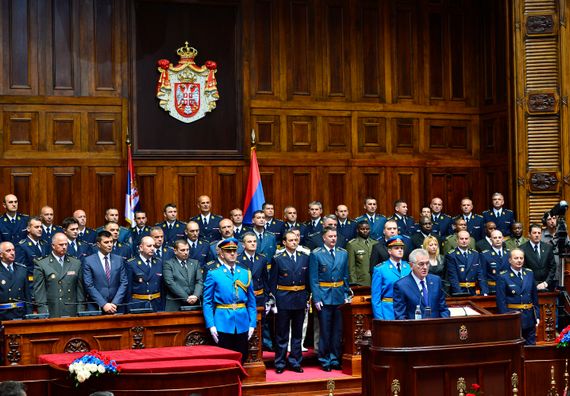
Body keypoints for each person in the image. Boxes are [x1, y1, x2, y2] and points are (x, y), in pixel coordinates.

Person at [203, 237, 256, 364]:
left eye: (234, 251)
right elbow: (207, 301)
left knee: (242, 356)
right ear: (221, 253)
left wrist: (252, 323)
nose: (232, 254)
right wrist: (211, 325)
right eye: (228, 251)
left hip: (242, 321)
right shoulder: (214, 273)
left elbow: (251, 301)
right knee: (224, 359)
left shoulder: (245, 272)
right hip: (222, 321)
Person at [310, 226, 349, 372]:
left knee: (337, 331)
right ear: (324, 238)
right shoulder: (316, 254)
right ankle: (324, 359)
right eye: (330, 236)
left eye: (335, 236)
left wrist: (346, 294)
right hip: (324, 296)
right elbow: (313, 279)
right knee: (325, 331)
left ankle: (334, 358)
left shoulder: (343, 253)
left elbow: (345, 276)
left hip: (338, 295)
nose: (333, 239)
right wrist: (317, 298)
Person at [270, 231, 310, 374]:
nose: (294, 242)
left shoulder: (304, 258)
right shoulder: (278, 259)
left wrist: (307, 297)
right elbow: (273, 282)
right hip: (283, 299)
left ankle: (295, 361)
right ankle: (280, 363)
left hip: (300, 298)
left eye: (296, 239)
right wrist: (273, 300)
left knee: (298, 334)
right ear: (284, 242)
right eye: (291, 240)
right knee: (282, 334)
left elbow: (308, 280)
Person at [33, 232, 85, 317]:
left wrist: (81, 311)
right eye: (61, 245)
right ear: (53, 246)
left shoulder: (76, 263)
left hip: (71, 311)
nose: (64, 247)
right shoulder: (42, 264)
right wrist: (43, 314)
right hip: (52, 310)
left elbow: (80, 292)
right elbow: (40, 294)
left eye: (66, 244)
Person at [496, 249, 539, 345]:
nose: (519, 260)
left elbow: (534, 296)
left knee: (531, 347)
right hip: (514, 317)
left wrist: (537, 315)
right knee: (516, 347)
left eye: (521, 258)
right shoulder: (503, 276)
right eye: (516, 258)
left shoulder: (529, 273)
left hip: (529, 317)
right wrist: (506, 318)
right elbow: (501, 301)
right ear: (510, 260)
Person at [393, 248, 450, 319]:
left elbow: (443, 308)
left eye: (427, 263)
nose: (425, 267)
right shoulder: (401, 286)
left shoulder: (436, 281)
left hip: (436, 327)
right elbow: (400, 316)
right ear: (411, 265)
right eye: (421, 264)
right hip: (414, 328)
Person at [237, 232, 271, 350]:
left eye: (254, 241)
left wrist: (267, 298)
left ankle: (259, 352)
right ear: (243, 245)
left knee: (260, 325)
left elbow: (265, 280)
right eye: (249, 242)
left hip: (259, 297)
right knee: (245, 325)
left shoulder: (261, 258)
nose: (253, 244)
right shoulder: (238, 259)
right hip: (245, 298)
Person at [82, 231, 129, 314]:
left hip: (116, 306)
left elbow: (124, 282)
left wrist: (115, 303)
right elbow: (89, 285)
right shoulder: (89, 261)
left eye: (111, 242)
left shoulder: (119, 260)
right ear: (98, 244)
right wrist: (104, 304)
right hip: (96, 306)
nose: (110, 244)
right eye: (106, 242)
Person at [371, 236, 411, 320]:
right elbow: (376, 298)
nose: (400, 250)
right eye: (396, 248)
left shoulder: (408, 267)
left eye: (401, 248)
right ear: (389, 251)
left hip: (406, 310)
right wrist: (379, 318)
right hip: (388, 311)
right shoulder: (380, 269)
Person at [163, 239, 203, 311]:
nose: (186, 252)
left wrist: (195, 296)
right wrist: (186, 297)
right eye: (183, 250)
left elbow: (199, 281)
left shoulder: (195, 263)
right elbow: (170, 283)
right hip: (175, 303)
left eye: (187, 250)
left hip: (194, 302)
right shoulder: (169, 264)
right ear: (175, 251)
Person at [126, 236, 164, 312]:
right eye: (149, 246)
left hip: (156, 303)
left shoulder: (159, 262)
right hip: (138, 304)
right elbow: (128, 289)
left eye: (154, 246)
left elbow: (162, 287)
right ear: (141, 247)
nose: (152, 248)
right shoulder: (131, 263)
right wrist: (129, 306)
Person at [446, 230, 488, 296]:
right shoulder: (451, 255)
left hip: (473, 291)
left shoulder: (475, 254)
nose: (464, 241)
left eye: (466, 239)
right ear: (457, 240)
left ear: (469, 240)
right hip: (459, 291)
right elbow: (453, 278)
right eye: (461, 239)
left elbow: (480, 274)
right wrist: (459, 293)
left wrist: (484, 291)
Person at [0, 241, 31, 320]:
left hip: (20, 313)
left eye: (13, 250)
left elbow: (27, 295)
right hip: (2, 314)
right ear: (1, 254)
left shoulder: (22, 269)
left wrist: (29, 314)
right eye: (8, 251)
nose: (12, 253)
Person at [520, 224, 556, 291]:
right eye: (534, 233)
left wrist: (546, 283)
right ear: (529, 234)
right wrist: (535, 284)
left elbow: (553, 267)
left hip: (547, 286)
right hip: (530, 286)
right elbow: (522, 269)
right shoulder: (522, 249)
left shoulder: (548, 247)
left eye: (539, 233)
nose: (537, 235)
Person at [15, 217, 49, 287]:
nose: (40, 229)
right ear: (28, 229)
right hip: (31, 284)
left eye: (41, 227)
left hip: (46, 284)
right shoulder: (22, 246)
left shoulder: (45, 244)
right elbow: (20, 270)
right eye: (36, 227)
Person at [346, 220, 377, 286]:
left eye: (367, 229)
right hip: (360, 282)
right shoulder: (352, 245)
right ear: (357, 230)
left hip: (375, 280)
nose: (365, 231)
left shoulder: (375, 243)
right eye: (362, 229)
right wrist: (353, 283)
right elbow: (351, 267)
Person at [480, 230, 509, 294]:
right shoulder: (485, 255)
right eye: (495, 238)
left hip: (507, 288)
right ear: (490, 239)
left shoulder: (509, 254)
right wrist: (484, 291)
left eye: (499, 237)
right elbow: (482, 275)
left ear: (503, 238)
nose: (497, 240)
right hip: (492, 288)